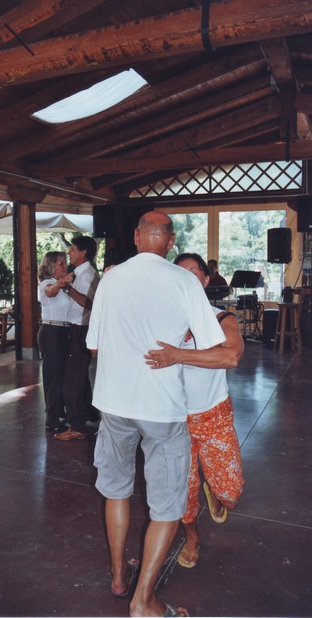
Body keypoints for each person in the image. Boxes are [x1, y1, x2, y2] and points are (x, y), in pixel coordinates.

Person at [86, 212, 226, 617]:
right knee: (166, 505)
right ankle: (143, 600)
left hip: (114, 403)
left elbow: (94, 346)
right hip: (161, 407)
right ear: (170, 241)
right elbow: (213, 345)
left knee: (116, 490)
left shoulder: (110, 279)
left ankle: (119, 577)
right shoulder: (183, 280)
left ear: (136, 237)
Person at [145, 252, 245, 570]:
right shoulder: (160, 322)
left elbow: (231, 356)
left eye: (193, 271)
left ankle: (215, 491)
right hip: (174, 420)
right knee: (182, 492)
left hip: (214, 415)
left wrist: (177, 355)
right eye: (179, 273)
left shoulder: (221, 318)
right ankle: (192, 538)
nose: (187, 278)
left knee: (231, 491)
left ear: (205, 279)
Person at [55, 236, 100, 442]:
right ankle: (88, 414)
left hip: (82, 329)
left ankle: (77, 426)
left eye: (72, 249)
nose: (69, 253)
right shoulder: (79, 274)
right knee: (79, 377)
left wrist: (68, 289)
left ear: (83, 253)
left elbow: (90, 303)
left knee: (72, 380)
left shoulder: (87, 275)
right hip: (77, 328)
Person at [37, 251, 74, 433]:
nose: (65, 266)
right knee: (54, 377)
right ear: (51, 266)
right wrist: (61, 283)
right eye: (61, 264)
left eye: (65, 263)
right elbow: (50, 292)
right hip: (52, 332)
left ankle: (58, 413)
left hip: (62, 331)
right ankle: (52, 420)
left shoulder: (63, 286)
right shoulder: (46, 284)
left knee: (60, 375)